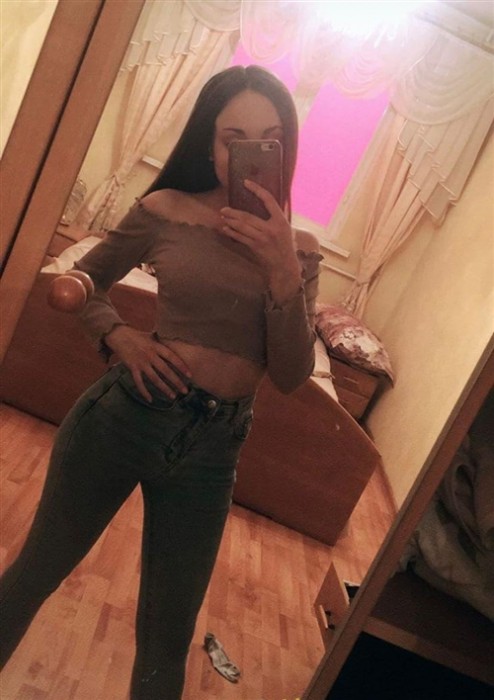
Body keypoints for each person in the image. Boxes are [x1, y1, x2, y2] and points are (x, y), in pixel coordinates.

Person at [0, 65, 321, 699]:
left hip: (215, 451)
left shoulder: (301, 250)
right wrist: (120, 338)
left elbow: (290, 375)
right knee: (36, 572)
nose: (248, 154)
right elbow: (83, 280)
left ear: (285, 147)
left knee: (168, 636)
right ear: (209, 142)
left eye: (268, 138)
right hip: (125, 418)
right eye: (232, 138)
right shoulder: (164, 210)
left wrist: (283, 267)